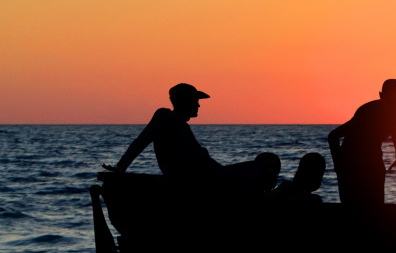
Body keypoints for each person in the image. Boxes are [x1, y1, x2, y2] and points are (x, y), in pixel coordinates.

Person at [103, 83, 276, 195]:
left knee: (262, 166)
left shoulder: (182, 125)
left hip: (210, 177)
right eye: (195, 100)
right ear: (185, 102)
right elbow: (141, 141)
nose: (198, 104)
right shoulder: (165, 117)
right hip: (198, 182)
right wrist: (121, 166)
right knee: (266, 163)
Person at [327, 79, 396, 205]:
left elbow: (395, 127)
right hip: (351, 163)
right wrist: (339, 166)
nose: (394, 105)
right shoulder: (366, 113)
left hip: (373, 159)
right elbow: (333, 136)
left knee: (376, 206)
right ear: (381, 96)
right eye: (390, 101)